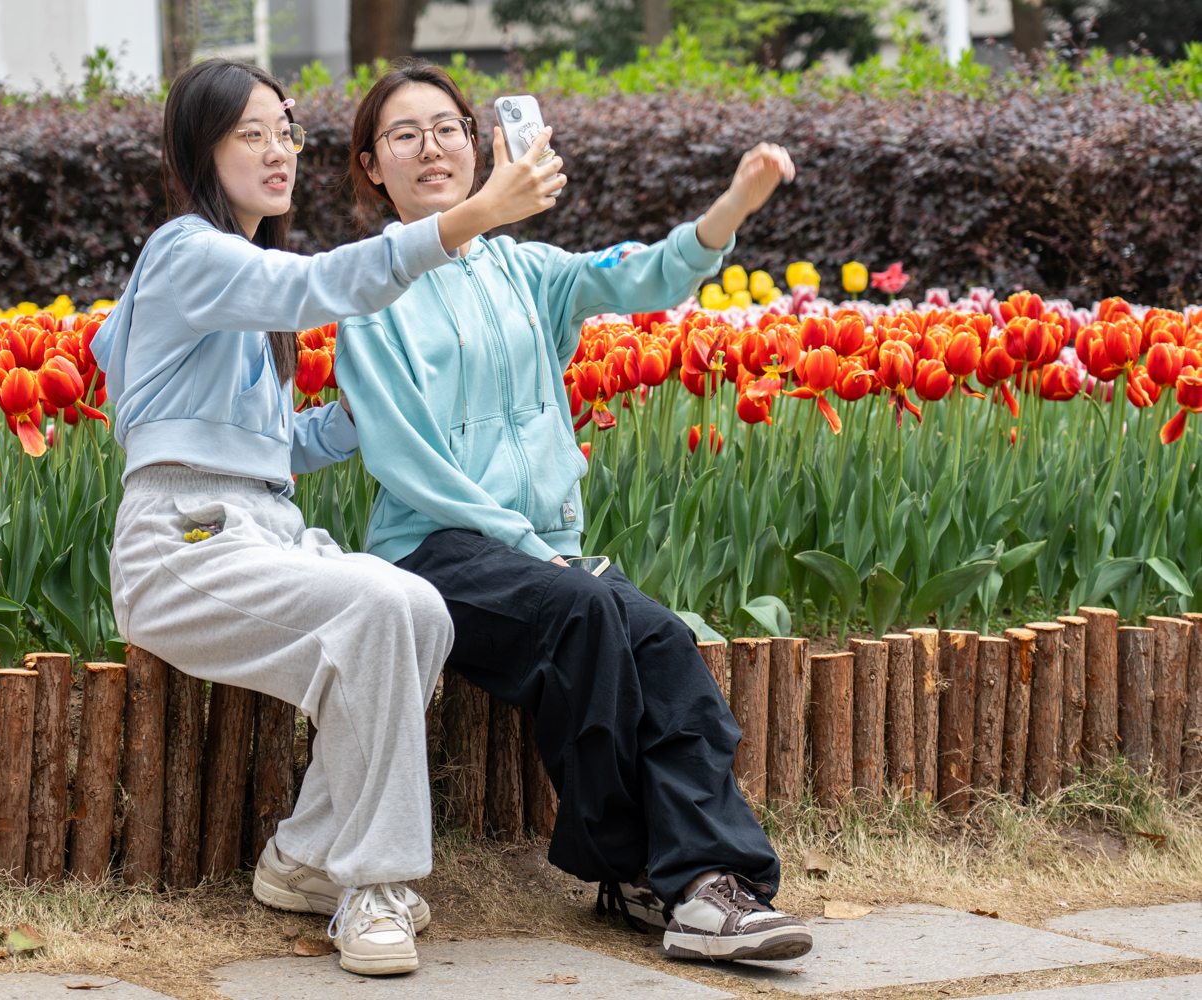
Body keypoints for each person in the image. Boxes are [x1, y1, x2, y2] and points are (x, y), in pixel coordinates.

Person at [90, 58, 563, 977]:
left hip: (255, 526)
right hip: (180, 542)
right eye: (250, 135)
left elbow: (270, 445)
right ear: (201, 150)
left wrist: (369, 412)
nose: (278, 154)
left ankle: (304, 859)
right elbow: (321, 287)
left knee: (420, 604)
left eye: (286, 133)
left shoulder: (233, 279)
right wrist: (470, 219)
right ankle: (376, 886)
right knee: (381, 607)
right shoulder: (186, 252)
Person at [331, 61, 811, 963]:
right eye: (404, 135)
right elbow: (406, 459)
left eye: (448, 128)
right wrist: (529, 546)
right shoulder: (369, 293)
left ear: (480, 146)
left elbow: (643, 280)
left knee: (660, 637)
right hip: (435, 552)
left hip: (542, 556)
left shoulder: (528, 270)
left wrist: (733, 208)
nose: (431, 148)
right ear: (371, 166)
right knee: (587, 608)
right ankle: (638, 877)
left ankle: (712, 884)